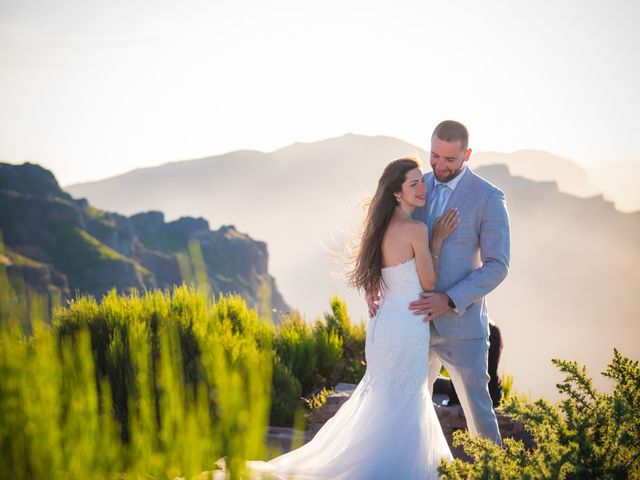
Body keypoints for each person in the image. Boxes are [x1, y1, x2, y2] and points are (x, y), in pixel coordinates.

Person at [217, 158, 458, 479]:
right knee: (405, 398)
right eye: (413, 184)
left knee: (386, 399)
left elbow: (378, 280)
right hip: (407, 326)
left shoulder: (378, 230)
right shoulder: (417, 230)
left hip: (384, 325)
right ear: (397, 193)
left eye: (421, 182)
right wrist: (438, 239)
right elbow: (429, 284)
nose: (422, 188)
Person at [371, 120, 510, 445]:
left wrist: (447, 299)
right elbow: (384, 238)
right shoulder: (416, 185)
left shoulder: (488, 197)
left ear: (467, 154)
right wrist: (375, 286)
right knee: (408, 411)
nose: (439, 165)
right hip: (413, 324)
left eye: (449, 159)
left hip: (462, 328)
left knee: (480, 415)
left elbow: (497, 266)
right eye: (434, 156)